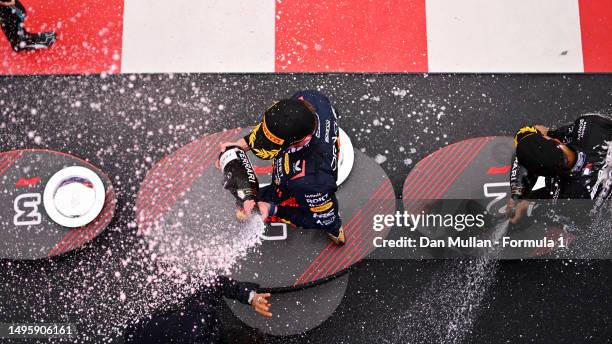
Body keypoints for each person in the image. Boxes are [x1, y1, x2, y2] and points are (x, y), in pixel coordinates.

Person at [219, 90, 345, 245]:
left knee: (328, 222)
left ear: (304, 138)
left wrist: (273, 210)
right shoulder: (308, 98)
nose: (265, 145)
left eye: (273, 145)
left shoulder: (313, 182)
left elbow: (323, 219)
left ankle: (336, 232)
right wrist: (240, 145)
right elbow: (275, 127)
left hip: (303, 183)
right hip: (311, 155)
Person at [507, 114, 612, 225]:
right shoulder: (590, 125)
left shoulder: (567, 203)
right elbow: (532, 131)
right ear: (557, 142)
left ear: (548, 176)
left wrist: (518, 196)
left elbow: (524, 136)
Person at [124, 276, 271, 344]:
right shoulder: (202, 321)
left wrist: (250, 296)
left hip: (138, 327)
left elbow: (215, 283)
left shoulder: (201, 317)